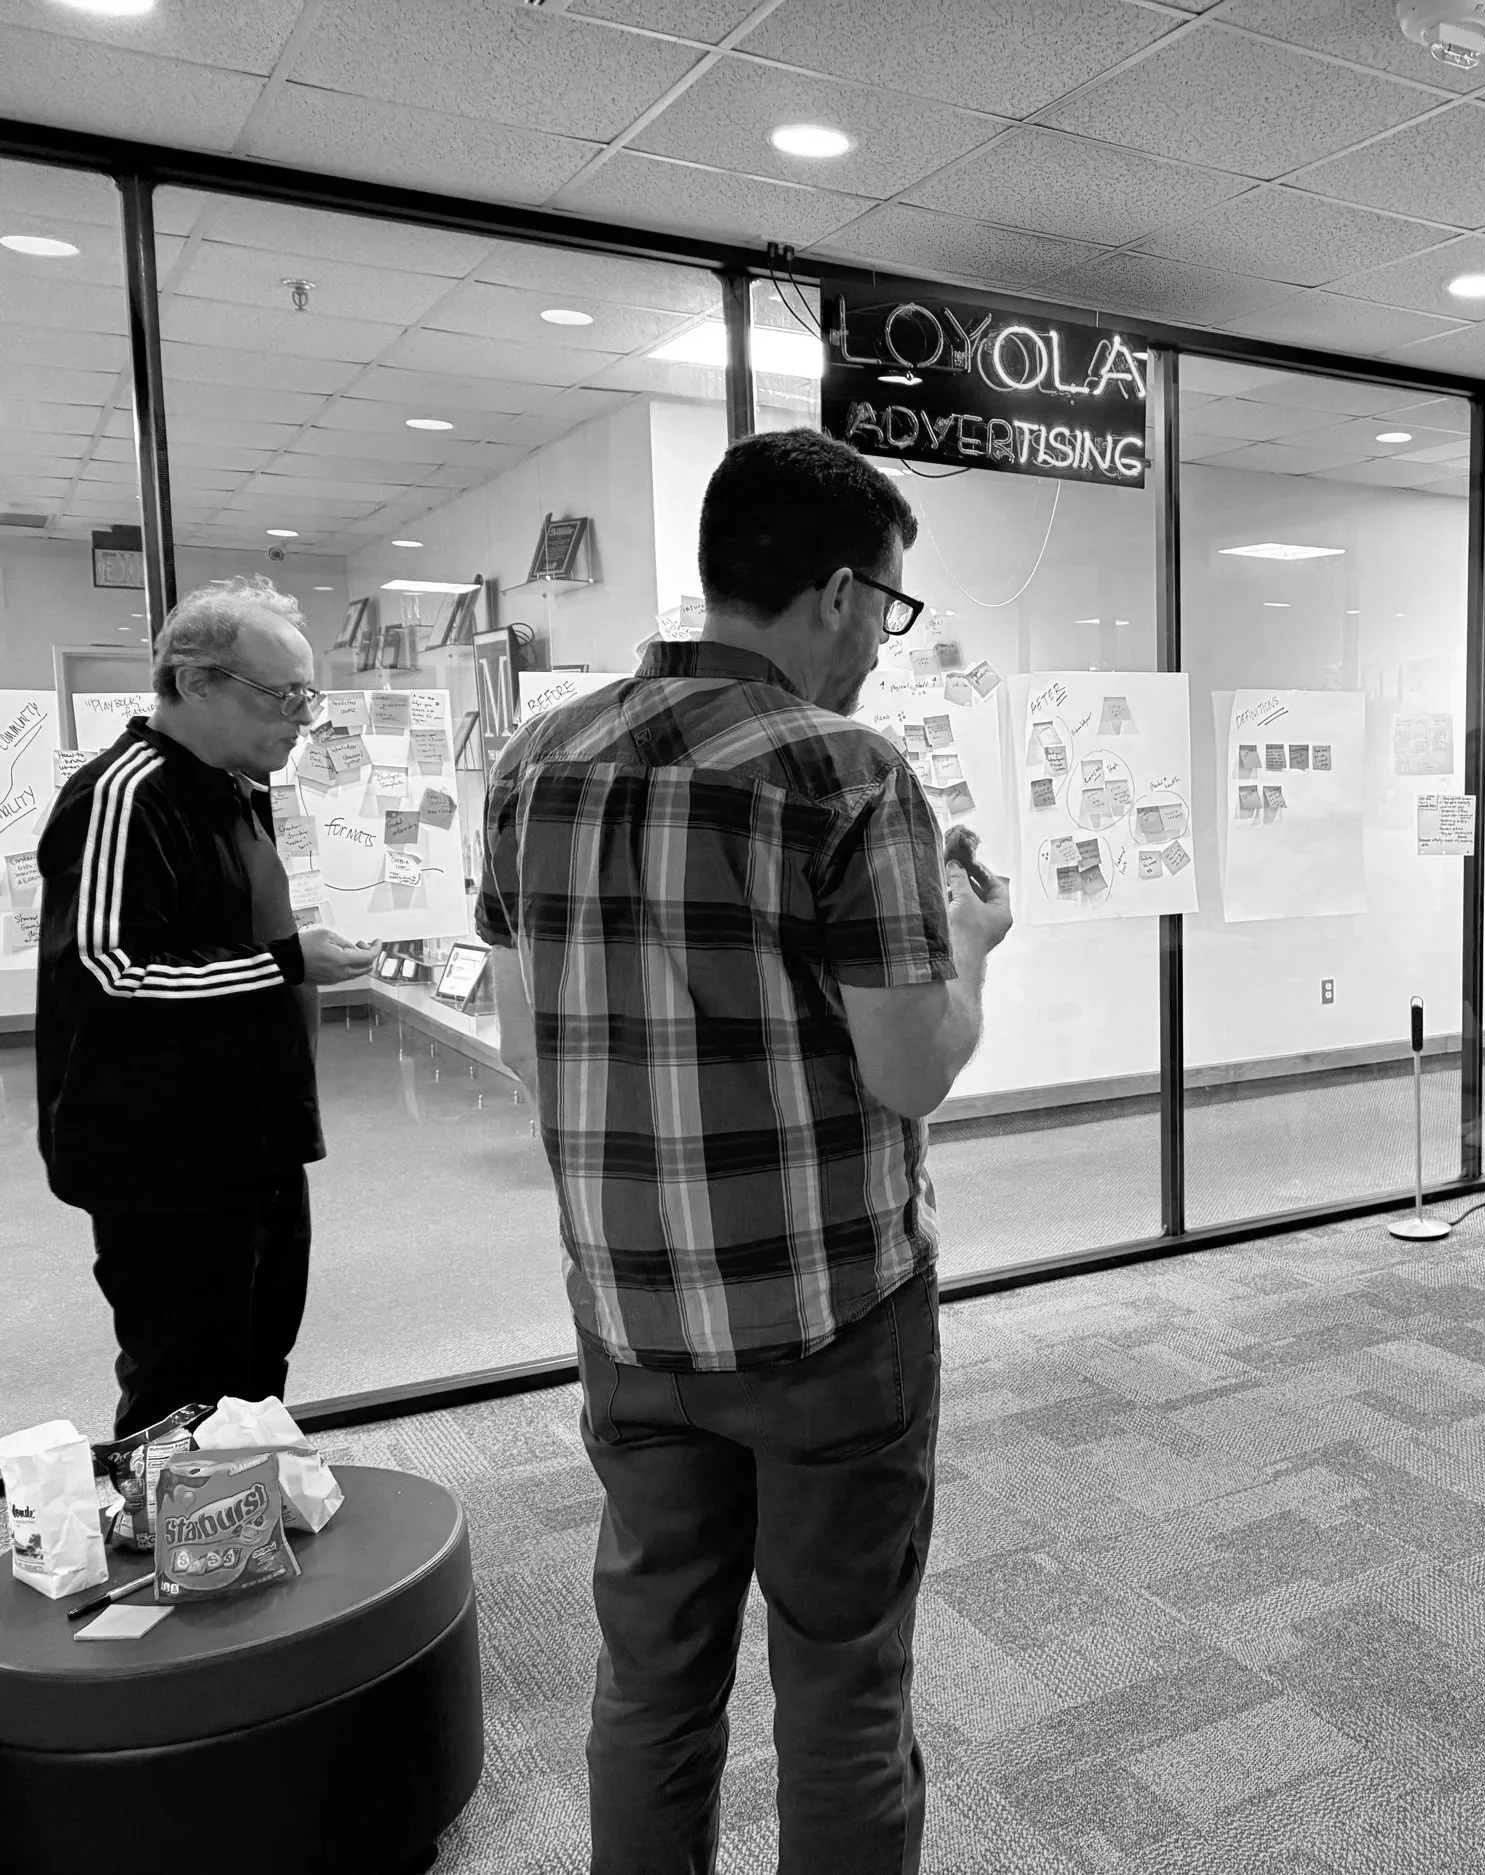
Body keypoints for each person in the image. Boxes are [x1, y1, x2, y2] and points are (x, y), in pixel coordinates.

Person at [478, 429, 1013, 1875]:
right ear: (839, 591)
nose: (884, 648)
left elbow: (529, 1047)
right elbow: (914, 1066)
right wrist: (967, 940)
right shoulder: (846, 772)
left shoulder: (537, 760)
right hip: (833, 1320)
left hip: (630, 1314)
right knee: (841, 1685)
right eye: (890, 609)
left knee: (652, 1678)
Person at [36, 575, 377, 1437]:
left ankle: (235, 1544)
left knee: (255, 1370)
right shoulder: (127, 794)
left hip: (252, 1138)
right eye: (283, 694)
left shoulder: (233, 788)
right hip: (164, 1158)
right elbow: (109, 972)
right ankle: (167, 1559)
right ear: (195, 682)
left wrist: (282, 961)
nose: (303, 716)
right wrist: (287, 962)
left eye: (309, 693)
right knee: (180, 1383)